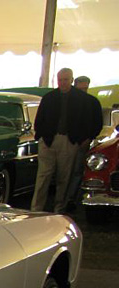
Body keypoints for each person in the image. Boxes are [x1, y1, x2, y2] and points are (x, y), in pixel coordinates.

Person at [32, 68, 102, 213]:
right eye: (60, 80)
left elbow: (89, 121)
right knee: (43, 177)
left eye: (65, 80)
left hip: (69, 141)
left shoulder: (82, 100)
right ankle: (36, 209)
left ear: (71, 80)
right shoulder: (49, 97)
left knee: (64, 177)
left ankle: (59, 208)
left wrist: (83, 138)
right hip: (48, 139)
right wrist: (41, 136)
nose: (63, 83)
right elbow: (39, 119)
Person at [64, 75, 99, 208]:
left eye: (86, 88)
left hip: (82, 141)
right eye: (81, 88)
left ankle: (70, 198)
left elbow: (97, 123)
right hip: (68, 140)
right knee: (67, 170)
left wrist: (89, 137)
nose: (83, 90)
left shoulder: (92, 102)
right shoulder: (67, 100)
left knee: (76, 171)